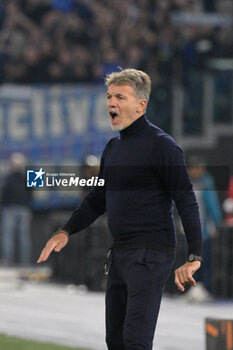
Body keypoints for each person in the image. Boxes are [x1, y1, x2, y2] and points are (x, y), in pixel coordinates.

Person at [37, 68, 202, 350]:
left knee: (135, 341)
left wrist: (194, 255)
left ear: (141, 105)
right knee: (115, 341)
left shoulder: (163, 147)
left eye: (120, 97)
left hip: (152, 253)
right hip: (121, 253)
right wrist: (66, 231)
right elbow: (96, 199)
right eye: (110, 96)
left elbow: (186, 199)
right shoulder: (113, 148)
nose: (111, 103)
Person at [187, 157, 222, 300]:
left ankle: (203, 286)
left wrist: (216, 223)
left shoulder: (206, 183)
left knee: (203, 259)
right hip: (188, 230)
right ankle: (192, 287)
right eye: (192, 168)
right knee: (189, 259)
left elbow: (212, 205)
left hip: (203, 231)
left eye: (197, 168)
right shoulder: (186, 182)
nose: (194, 171)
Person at [1, 152, 32, 266]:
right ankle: (25, 261)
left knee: (8, 235)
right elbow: (31, 194)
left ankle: (8, 260)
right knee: (24, 235)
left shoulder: (8, 178)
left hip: (10, 209)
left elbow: (4, 195)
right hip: (24, 209)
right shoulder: (28, 176)